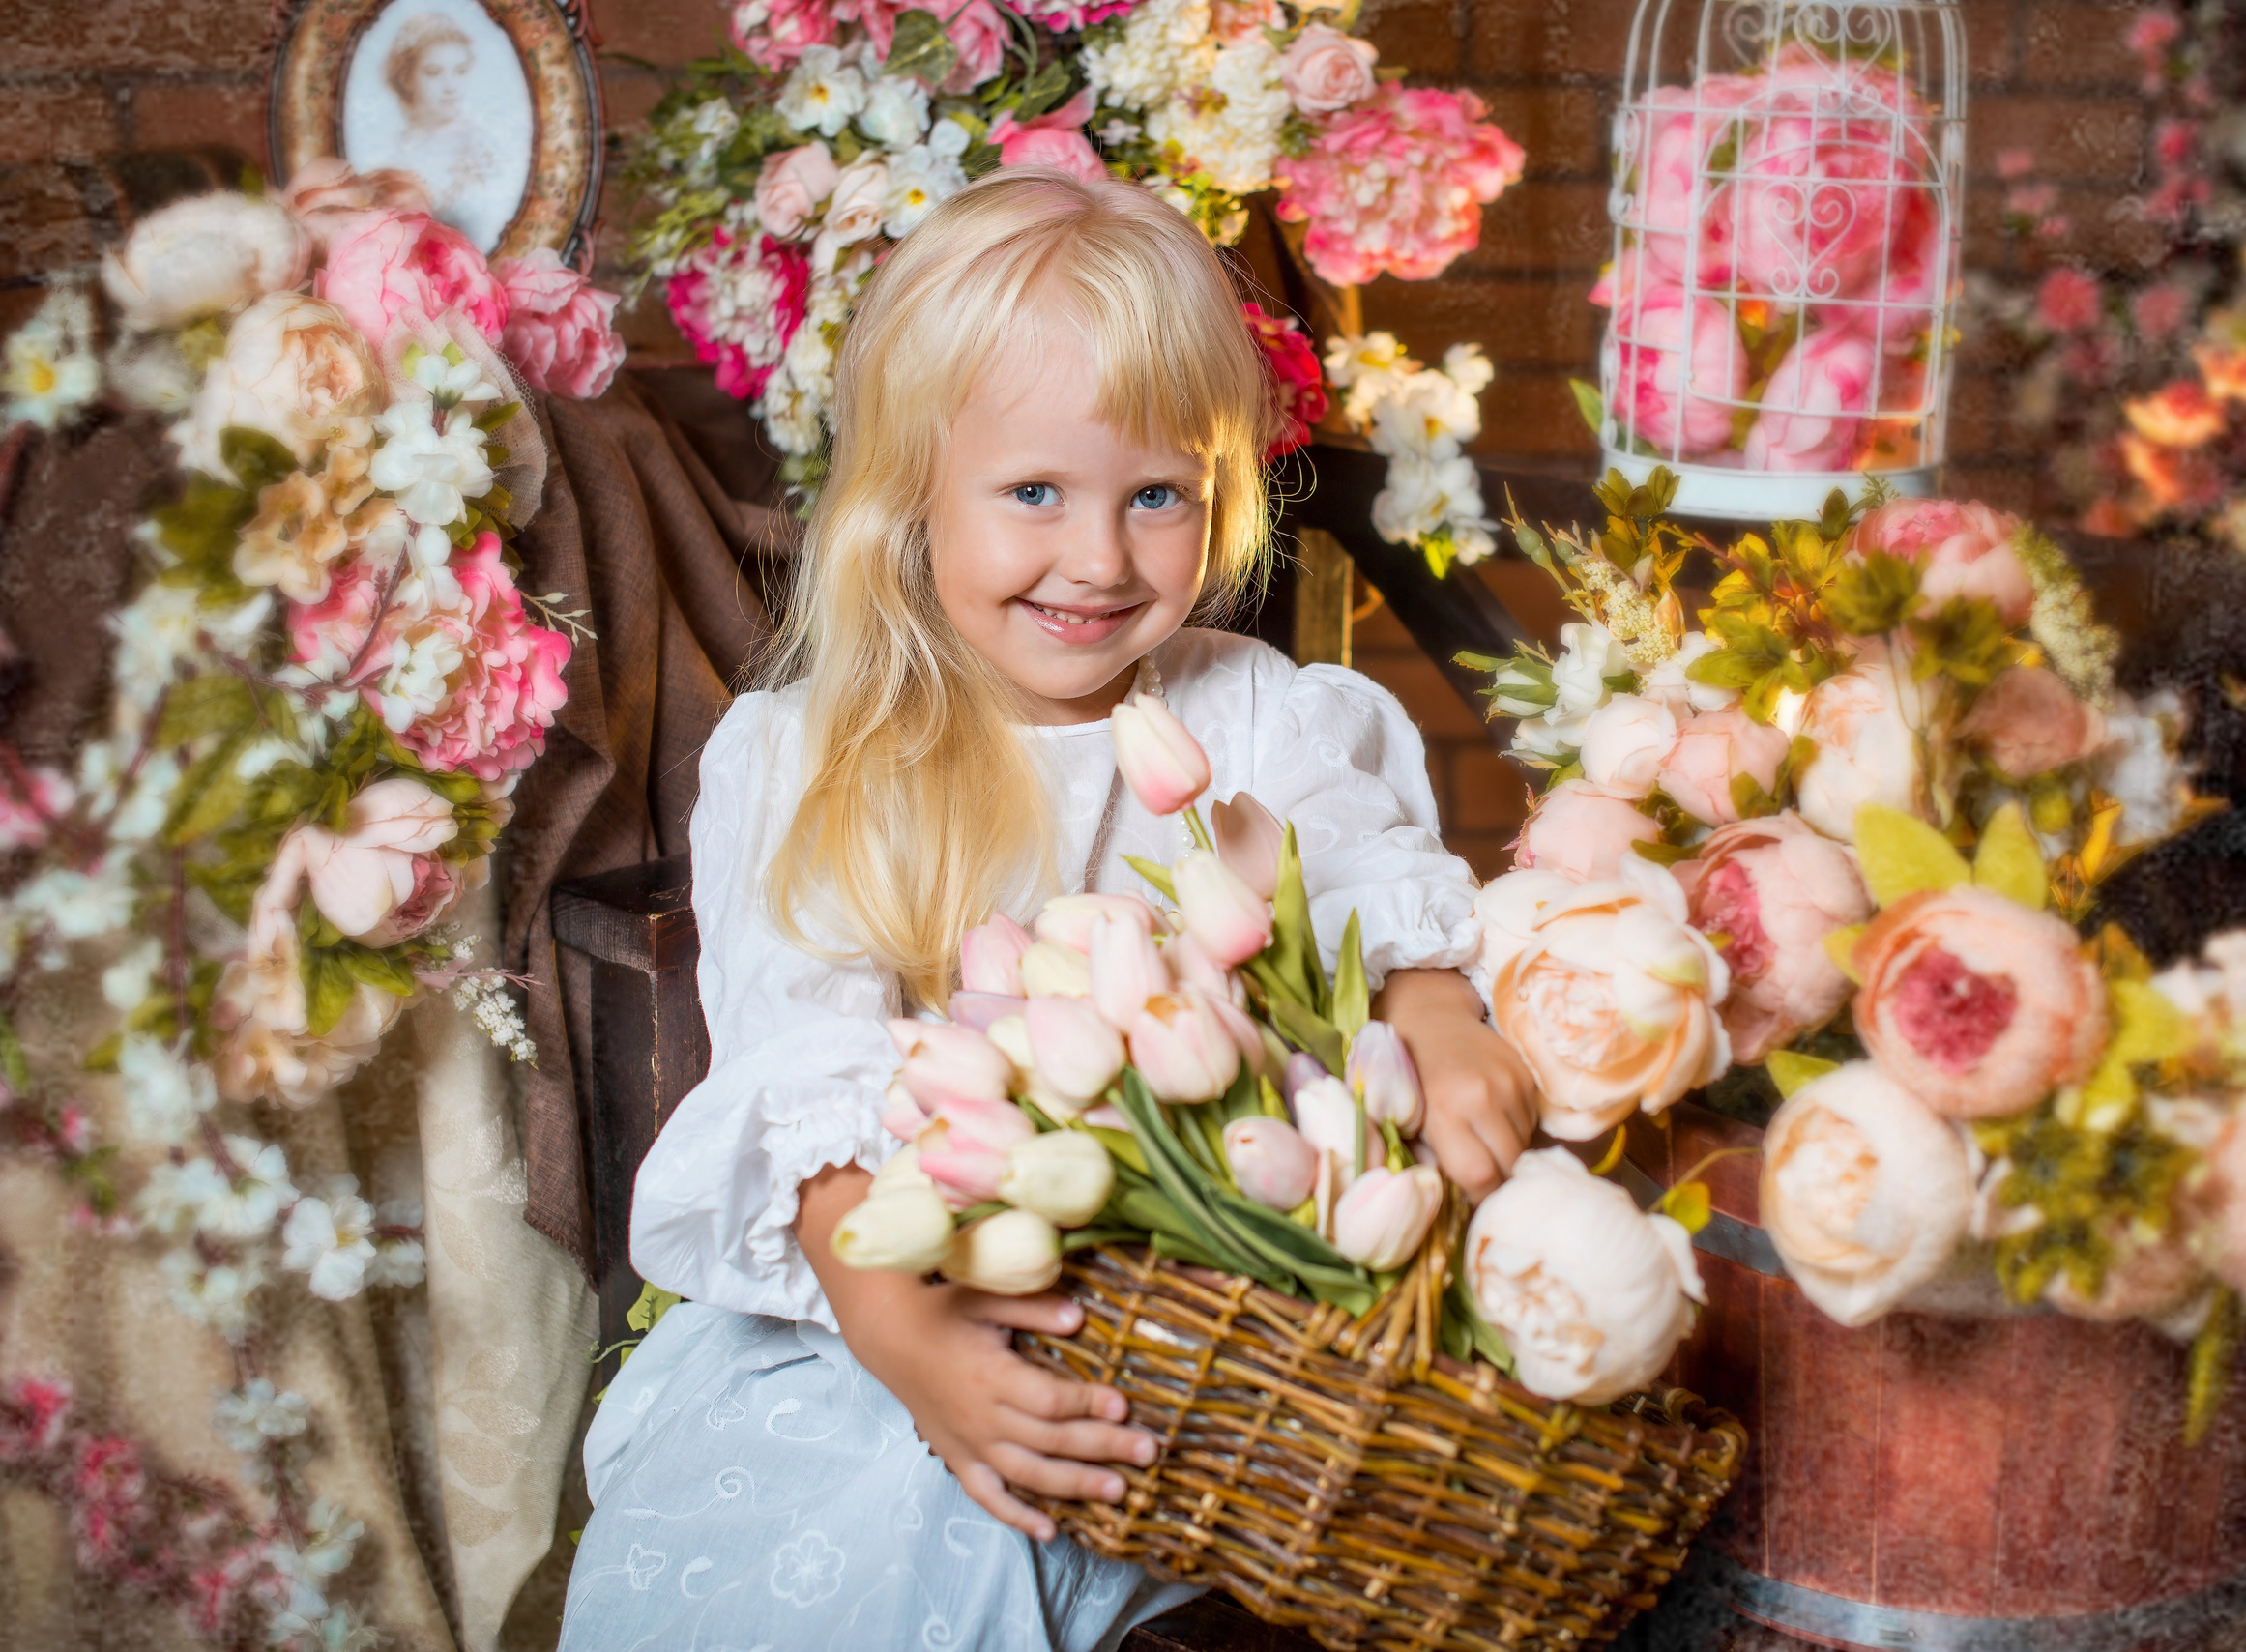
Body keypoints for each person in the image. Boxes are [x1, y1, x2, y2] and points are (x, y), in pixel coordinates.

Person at [558, 169, 1539, 1650]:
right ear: (911, 491)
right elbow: (804, 1082)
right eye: (1035, 494)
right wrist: (911, 1347)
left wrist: (1436, 1014)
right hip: (914, 1289)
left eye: (1157, 495)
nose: (1099, 559)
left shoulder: (1252, 710)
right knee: (879, 1539)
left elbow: (1350, 873)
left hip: (1216, 1312)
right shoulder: (821, 755)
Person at [369, 11, 515, 247]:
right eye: (434, 73)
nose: (451, 87)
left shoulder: (480, 149)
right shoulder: (392, 150)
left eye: (460, 71)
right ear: (406, 78)